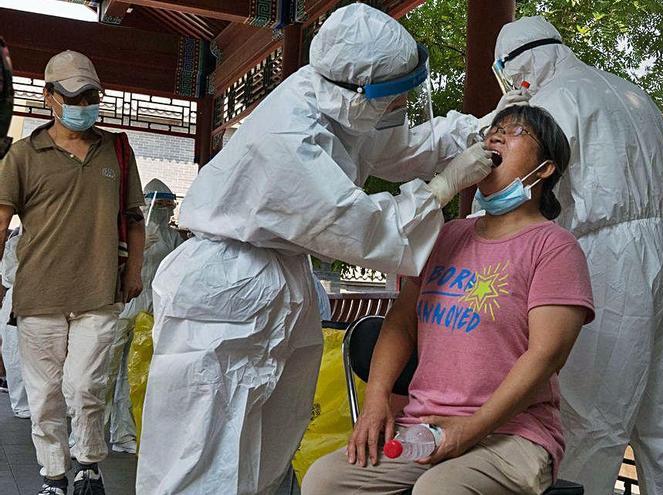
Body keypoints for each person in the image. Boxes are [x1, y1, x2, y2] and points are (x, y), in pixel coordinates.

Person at [135, 5, 525, 494]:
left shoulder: (336, 107)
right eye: (392, 95)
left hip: (277, 279)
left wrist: (486, 123)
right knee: (204, 453)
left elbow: (401, 148)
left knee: (268, 448)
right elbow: (362, 229)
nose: (400, 104)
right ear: (359, 91)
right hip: (227, 288)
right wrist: (443, 186)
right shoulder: (290, 137)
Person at [302, 105, 594, 495]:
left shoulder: (554, 247)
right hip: (424, 427)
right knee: (325, 481)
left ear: (544, 170)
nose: (496, 136)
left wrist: (470, 429)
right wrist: (375, 402)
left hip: (514, 434)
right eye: (494, 128)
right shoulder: (446, 235)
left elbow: (546, 355)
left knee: (439, 490)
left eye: (517, 131)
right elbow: (402, 322)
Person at [492, 17, 663, 494]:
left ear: (519, 66)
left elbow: (513, 192)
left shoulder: (548, 104)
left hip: (605, 258)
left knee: (591, 422)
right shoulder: (632, 93)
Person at [0, 50, 146, 495]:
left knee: (85, 387)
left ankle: (88, 463)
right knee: (44, 396)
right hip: (38, 295)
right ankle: (53, 475)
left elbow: (135, 218)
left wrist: (135, 270)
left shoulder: (116, 151)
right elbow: (2, 219)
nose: (84, 103)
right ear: (49, 97)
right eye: (73, 95)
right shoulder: (24, 155)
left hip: (99, 292)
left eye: (90, 95)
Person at [104, 178, 183, 455]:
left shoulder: (173, 238)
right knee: (106, 372)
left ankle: (123, 432)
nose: (165, 211)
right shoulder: (129, 231)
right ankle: (88, 434)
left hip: (150, 312)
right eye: (159, 205)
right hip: (122, 309)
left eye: (167, 205)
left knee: (133, 374)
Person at [0, 228, 30, 418]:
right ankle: (21, 402)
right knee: (14, 351)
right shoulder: (12, 235)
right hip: (15, 292)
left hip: (37, 292)